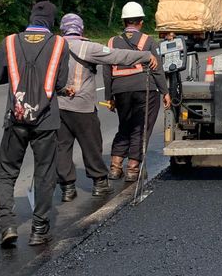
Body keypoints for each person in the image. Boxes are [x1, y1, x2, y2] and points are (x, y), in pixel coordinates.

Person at [0, 1, 69, 248]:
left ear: (31, 18)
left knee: (6, 172)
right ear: (51, 21)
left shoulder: (10, 42)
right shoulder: (59, 44)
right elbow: (60, 83)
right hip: (46, 121)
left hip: (16, 119)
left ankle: (7, 224)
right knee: (45, 174)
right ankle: (39, 229)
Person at [55, 13, 154, 202]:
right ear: (81, 29)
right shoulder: (87, 47)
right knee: (91, 145)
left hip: (58, 107)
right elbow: (118, 56)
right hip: (82, 106)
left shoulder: (53, 47)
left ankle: (67, 188)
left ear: (62, 29)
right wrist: (146, 55)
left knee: (62, 148)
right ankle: (100, 183)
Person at [104, 2, 170, 182]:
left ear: (124, 22)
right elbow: (157, 69)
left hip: (120, 91)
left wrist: (109, 97)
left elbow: (106, 71)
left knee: (124, 125)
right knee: (141, 127)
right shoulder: (147, 40)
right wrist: (165, 92)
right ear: (140, 22)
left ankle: (115, 167)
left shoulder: (111, 42)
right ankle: (133, 169)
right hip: (144, 89)